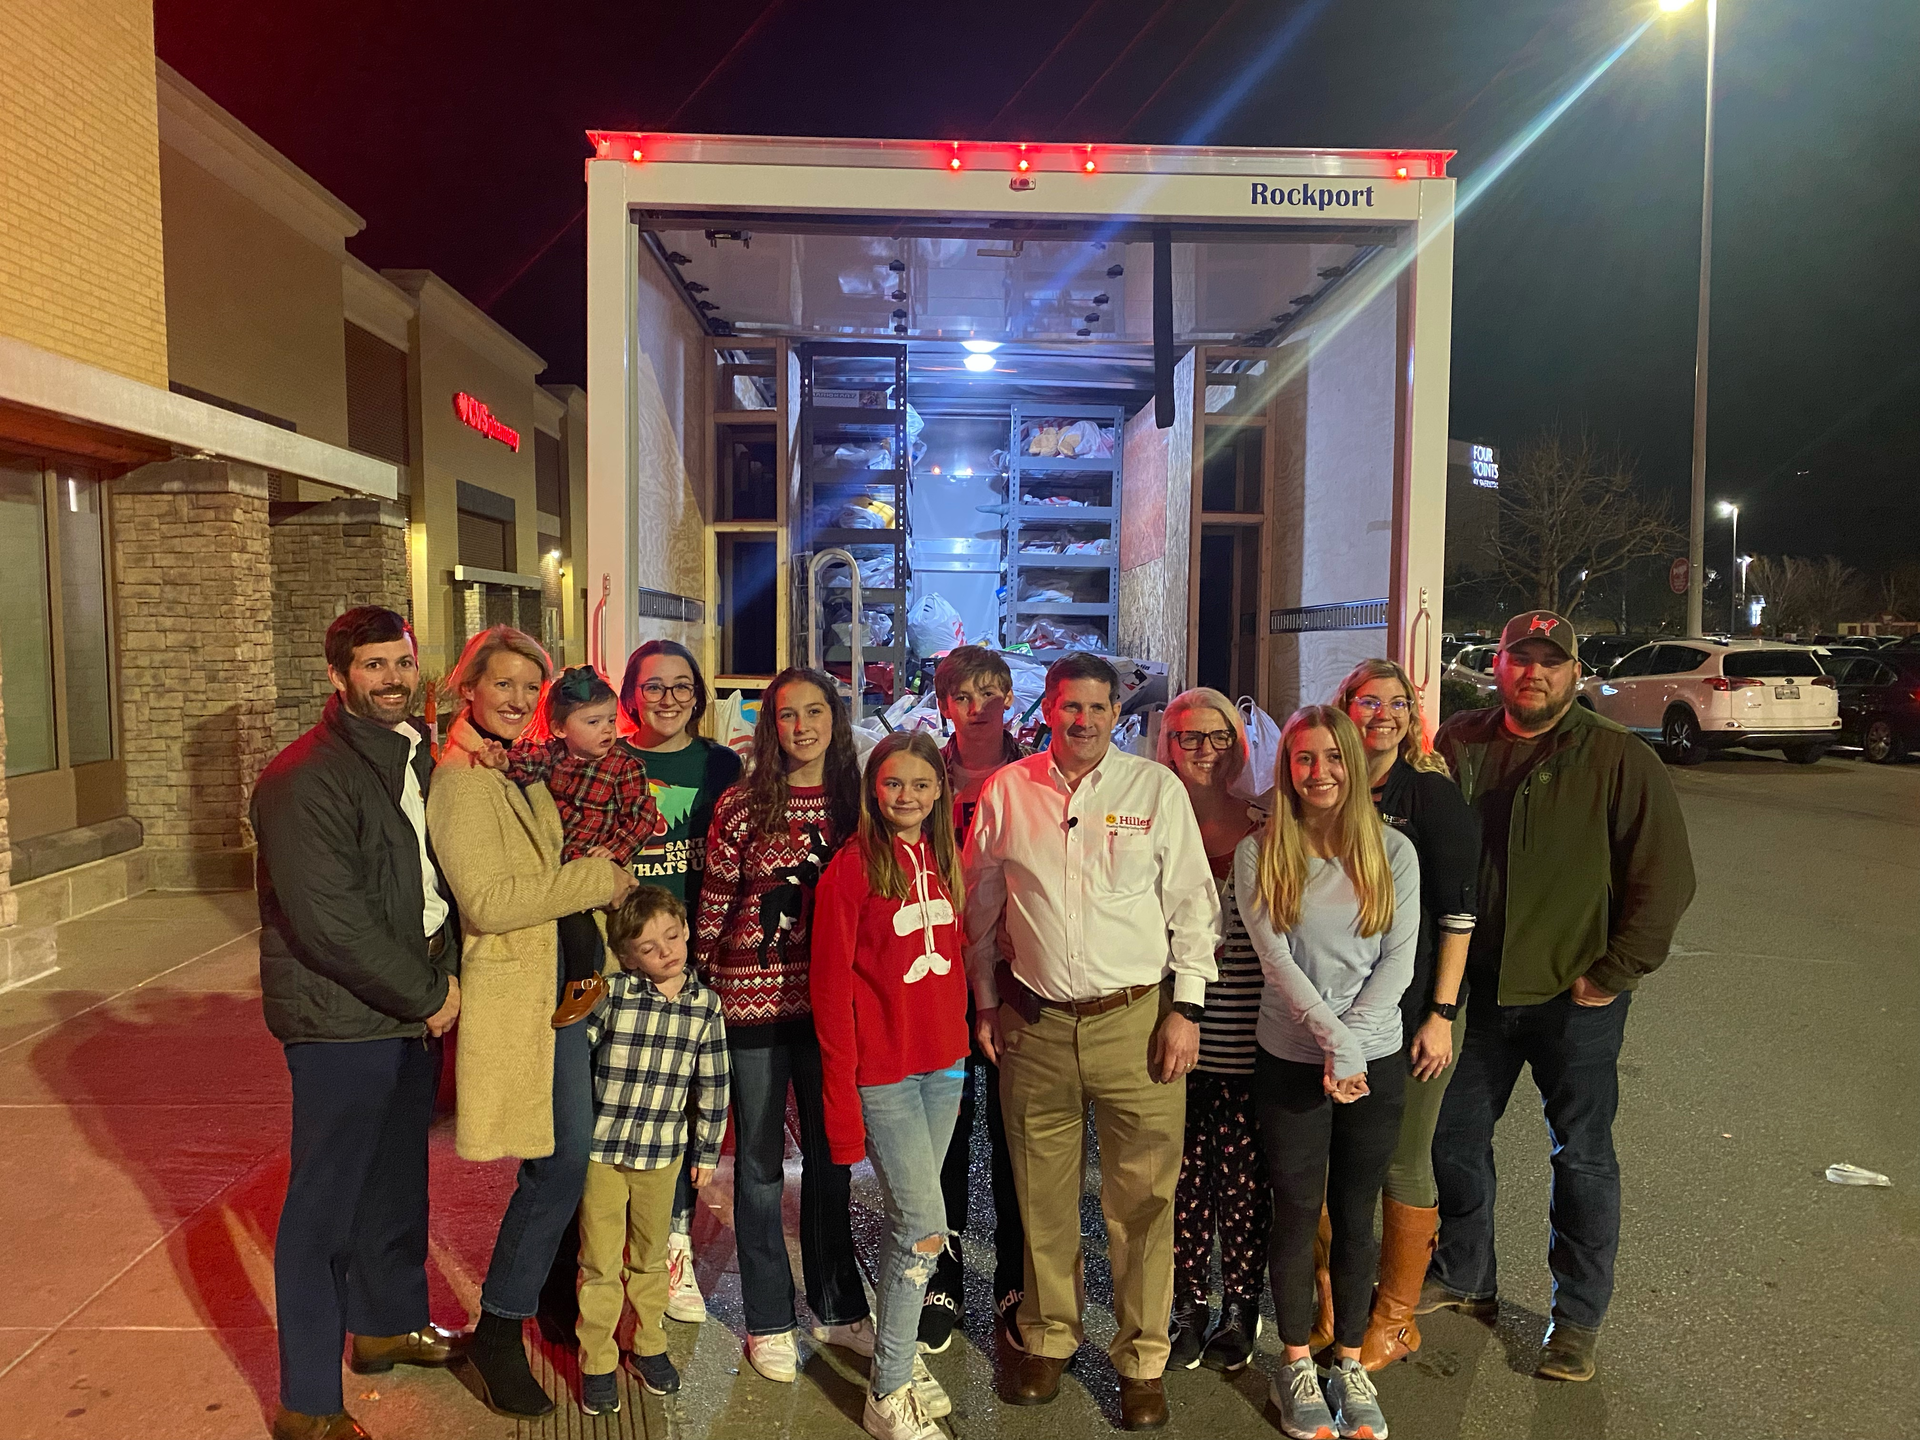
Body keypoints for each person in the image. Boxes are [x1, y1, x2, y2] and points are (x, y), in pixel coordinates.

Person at [1424, 611, 1695, 1382]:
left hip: (1574, 998)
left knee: (1581, 1158)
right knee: (1453, 1139)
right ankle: (1467, 1275)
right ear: (1497, 666)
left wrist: (1608, 977)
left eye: (1551, 662)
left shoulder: (1615, 756)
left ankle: (1576, 1318)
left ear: (1574, 674)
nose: (1533, 673)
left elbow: (1665, 878)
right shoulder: (1461, 743)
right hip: (1478, 992)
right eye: (1520, 659)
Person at [965, 652, 1221, 1432]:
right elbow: (977, 905)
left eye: (1097, 709)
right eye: (1068, 707)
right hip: (1035, 1023)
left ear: (1119, 714)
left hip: (1137, 1022)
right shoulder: (1009, 791)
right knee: (1041, 1196)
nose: (1082, 721)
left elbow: (1192, 907)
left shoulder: (1156, 790)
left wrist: (1188, 1009)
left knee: (1143, 1200)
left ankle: (1142, 1356)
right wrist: (984, 1002)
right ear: (1046, 710)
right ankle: (1047, 1337)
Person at [252, 607, 464, 1440]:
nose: (390, 679)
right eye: (372, 666)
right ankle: (307, 1403)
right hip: (343, 1017)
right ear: (338, 676)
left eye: (401, 663)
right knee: (323, 1207)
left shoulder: (410, 754)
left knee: (394, 1176)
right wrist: (430, 991)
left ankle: (384, 1325)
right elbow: (327, 921)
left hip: (405, 1004)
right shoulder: (302, 778)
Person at [427, 626, 639, 1419]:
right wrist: (600, 877)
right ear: (468, 689)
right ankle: (499, 1328)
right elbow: (491, 901)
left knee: (565, 1160)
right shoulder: (462, 782)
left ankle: (524, 1310)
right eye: (503, 684)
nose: (516, 699)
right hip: (521, 992)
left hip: (565, 987)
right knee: (560, 1160)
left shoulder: (511, 770)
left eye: (528, 687)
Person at [1240, 705, 1418, 1440]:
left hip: (1373, 1059)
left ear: (1352, 762)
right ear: (1288, 769)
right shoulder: (1262, 852)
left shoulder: (1394, 852)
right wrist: (1331, 1042)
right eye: (1304, 759)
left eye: (1332, 758)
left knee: (1356, 1210)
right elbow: (1275, 960)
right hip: (1291, 1056)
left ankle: (1347, 1357)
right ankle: (1294, 1363)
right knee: (1293, 1207)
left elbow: (1400, 960)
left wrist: (1353, 1046)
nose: (1319, 774)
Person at [695, 666, 871, 1382]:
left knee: (833, 1162)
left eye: (815, 711)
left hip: (833, 1010)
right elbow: (715, 902)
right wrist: (702, 979)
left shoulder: (859, 803)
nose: (802, 727)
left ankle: (836, 1306)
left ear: (835, 717)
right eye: (787, 715)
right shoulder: (742, 805)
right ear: (772, 726)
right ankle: (769, 1317)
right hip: (754, 1005)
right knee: (761, 1168)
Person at [811, 732, 972, 1440]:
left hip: (944, 1068)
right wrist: (842, 1110)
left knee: (912, 1226)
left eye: (920, 784)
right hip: (885, 1076)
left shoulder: (944, 859)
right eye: (892, 784)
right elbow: (829, 994)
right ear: (874, 790)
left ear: (940, 792)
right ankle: (889, 1390)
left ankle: (897, 1353)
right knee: (926, 1227)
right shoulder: (850, 870)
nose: (905, 796)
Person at [1332, 658, 1481, 1371]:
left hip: (1416, 1010)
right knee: (1342, 1156)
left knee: (1402, 1156)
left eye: (1397, 703)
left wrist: (1442, 1013)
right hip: (1338, 1012)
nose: (1382, 714)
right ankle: (1338, 1304)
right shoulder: (1325, 786)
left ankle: (1395, 1317)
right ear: (1346, 708)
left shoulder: (1431, 798)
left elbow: (1458, 914)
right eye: (1368, 702)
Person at [616, 639, 741, 1325]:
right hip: (630, 963)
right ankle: (625, 1249)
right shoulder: (614, 761)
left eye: (682, 687)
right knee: (636, 1109)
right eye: (654, 686)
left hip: (700, 959)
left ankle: (675, 1246)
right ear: (632, 692)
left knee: (691, 1107)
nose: (668, 699)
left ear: (699, 694)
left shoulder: (721, 764)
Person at [574, 886, 730, 1415]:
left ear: (686, 931)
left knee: (650, 1258)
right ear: (625, 956)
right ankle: (596, 1358)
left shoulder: (705, 1006)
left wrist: (706, 1152)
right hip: (602, 1151)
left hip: (662, 1154)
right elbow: (574, 1055)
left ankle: (648, 1344)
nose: (665, 951)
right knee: (598, 1260)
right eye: (648, 946)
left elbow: (713, 1083)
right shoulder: (613, 994)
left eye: (672, 936)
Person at [1156, 688, 1271, 1375]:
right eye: (1188, 737)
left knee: (1244, 1181)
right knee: (1182, 1176)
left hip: (1252, 1033)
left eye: (1218, 737)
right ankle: (1187, 1305)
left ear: (1240, 743)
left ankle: (1241, 1306)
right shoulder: (1149, 823)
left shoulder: (1267, 824)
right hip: (1174, 1032)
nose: (1203, 750)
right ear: (1166, 744)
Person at [922, 645, 1029, 1354]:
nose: (980, 708)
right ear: (945, 706)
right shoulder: (925, 776)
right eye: (965, 696)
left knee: (1018, 1131)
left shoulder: (1037, 776)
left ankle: (1018, 1277)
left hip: (1018, 978)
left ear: (1010, 700)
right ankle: (943, 1270)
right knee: (946, 1133)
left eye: (992, 694)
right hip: (939, 980)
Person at [505, 667, 659, 1026]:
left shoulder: (624, 766)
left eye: (609, 720)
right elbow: (527, 763)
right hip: (558, 860)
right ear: (560, 729)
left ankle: (584, 979)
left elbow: (642, 818)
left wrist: (616, 850)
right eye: (593, 722)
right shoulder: (555, 754)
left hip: (592, 860)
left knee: (576, 915)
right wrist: (503, 761)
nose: (607, 729)